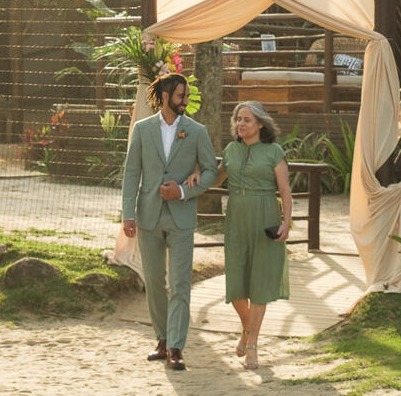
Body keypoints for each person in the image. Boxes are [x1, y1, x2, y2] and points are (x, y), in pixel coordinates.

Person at [120, 72, 218, 370]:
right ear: (165, 97)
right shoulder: (141, 129)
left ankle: (177, 346)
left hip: (181, 217)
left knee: (180, 283)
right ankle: (162, 340)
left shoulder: (197, 131)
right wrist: (128, 214)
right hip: (148, 216)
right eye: (181, 96)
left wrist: (184, 190)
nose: (185, 101)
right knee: (153, 282)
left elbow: (212, 171)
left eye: (186, 96)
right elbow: (131, 173)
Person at [211, 101, 291, 370]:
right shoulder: (231, 150)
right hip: (235, 218)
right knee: (235, 280)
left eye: (246, 119)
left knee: (258, 283)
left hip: (264, 216)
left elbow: (285, 192)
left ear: (260, 124)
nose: (240, 124)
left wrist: (286, 223)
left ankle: (253, 344)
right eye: (238, 119)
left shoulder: (274, 152)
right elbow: (216, 179)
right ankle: (247, 328)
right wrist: (192, 178)